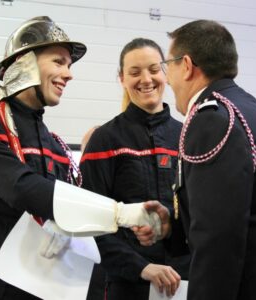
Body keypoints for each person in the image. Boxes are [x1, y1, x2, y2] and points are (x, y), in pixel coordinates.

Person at [134, 20, 256, 299]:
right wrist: (173, 228)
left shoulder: (212, 121)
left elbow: (218, 240)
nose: (168, 79)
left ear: (188, 65)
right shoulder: (248, 109)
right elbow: (242, 208)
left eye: (169, 65)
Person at [0, 16, 159, 300]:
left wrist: (137, 258)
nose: (69, 74)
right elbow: (20, 187)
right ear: (24, 63)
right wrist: (119, 213)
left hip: (54, 286)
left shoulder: (53, 143)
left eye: (68, 65)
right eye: (58, 62)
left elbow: (78, 216)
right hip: (4, 289)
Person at [80, 38, 189, 300]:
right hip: (127, 285)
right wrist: (141, 268)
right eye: (134, 72)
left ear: (165, 72)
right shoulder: (104, 141)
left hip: (183, 280)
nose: (146, 79)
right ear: (121, 78)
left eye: (153, 69)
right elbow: (88, 223)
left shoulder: (188, 137)